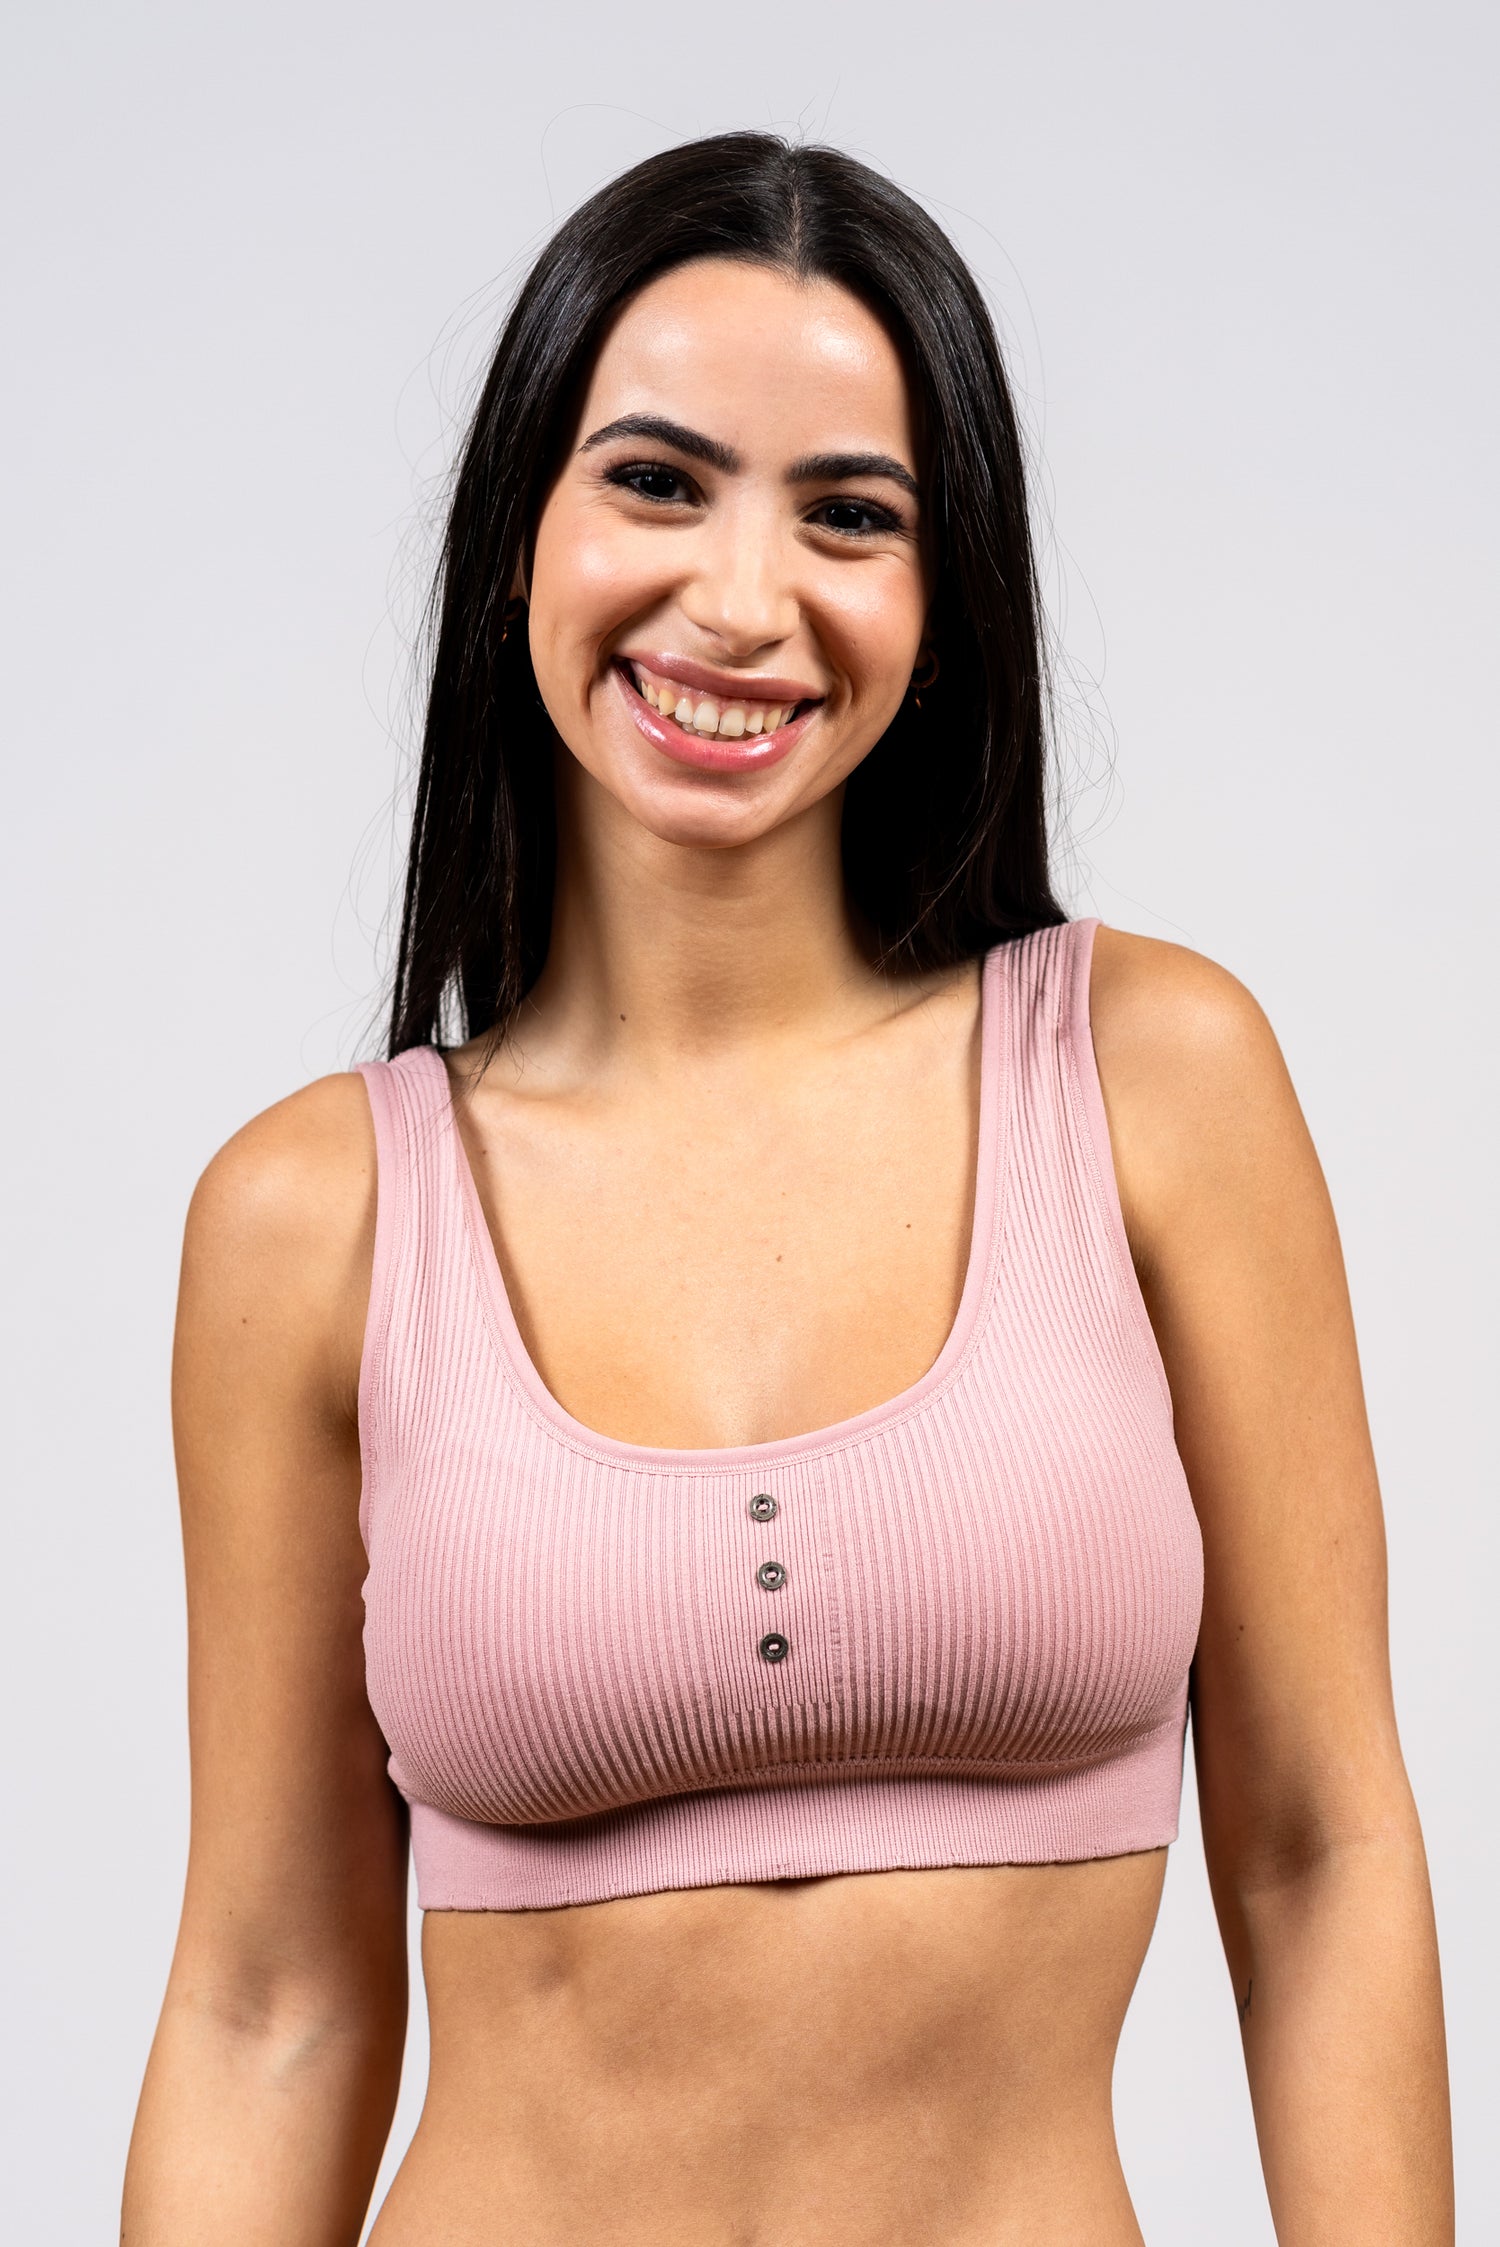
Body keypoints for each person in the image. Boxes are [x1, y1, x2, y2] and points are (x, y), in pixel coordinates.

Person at [122, 133, 1452, 2245]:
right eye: (657, 481)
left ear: (943, 594)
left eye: (850, 513)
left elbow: (1318, 1855)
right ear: (523, 534)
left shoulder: (1152, 1081)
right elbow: (269, 2000)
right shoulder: (314, 1218)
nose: (744, 599)